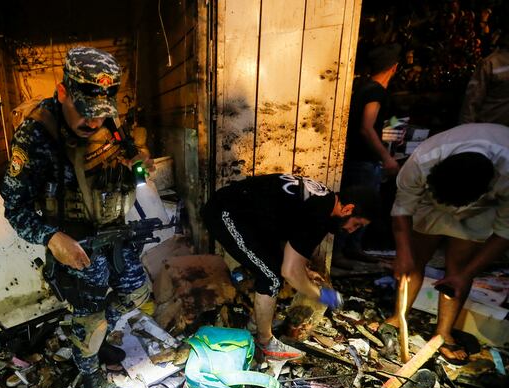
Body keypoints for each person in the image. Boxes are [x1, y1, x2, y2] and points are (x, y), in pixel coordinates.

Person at [0, 47, 152, 388]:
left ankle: (89, 336)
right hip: (73, 244)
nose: (93, 122)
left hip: (112, 231)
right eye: (84, 111)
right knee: (90, 314)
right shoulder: (35, 135)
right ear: (63, 92)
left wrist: (139, 166)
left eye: (101, 113)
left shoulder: (108, 121)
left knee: (138, 292)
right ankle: (92, 376)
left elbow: (130, 155)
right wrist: (51, 238)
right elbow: (14, 207)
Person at [202, 174, 380, 359]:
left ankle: (255, 325)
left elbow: (293, 255)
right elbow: (290, 272)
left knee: (273, 271)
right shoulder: (318, 215)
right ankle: (265, 343)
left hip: (252, 220)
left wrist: (305, 271)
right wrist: (322, 296)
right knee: (270, 277)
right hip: (225, 212)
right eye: (356, 224)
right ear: (348, 209)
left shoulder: (324, 201)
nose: (351, 230)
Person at [381, 123, 509, 363]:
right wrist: (403, 253)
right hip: (432, 200)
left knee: (459, 268)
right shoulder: (423, 160)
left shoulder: (507, 171)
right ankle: (399, 317)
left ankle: (443, 332)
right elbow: (401, 210)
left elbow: (505, 233)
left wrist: (467, 274)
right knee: (415, 259)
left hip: (483, 207)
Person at [334, 44, 402, 268]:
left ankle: (352, 248)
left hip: (360, 158)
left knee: (357, 205)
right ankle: (341, 251)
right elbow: (367, 126)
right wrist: (386, 157)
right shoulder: (375, 91)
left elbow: (380, 122)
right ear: (394, 67)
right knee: (357, 207)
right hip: (364, 159)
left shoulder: (364, 88)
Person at [459, 33, 509, 126]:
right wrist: (466, 131)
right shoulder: (490, 63)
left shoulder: (491, 63)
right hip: (490, 129)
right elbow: (472, 101)